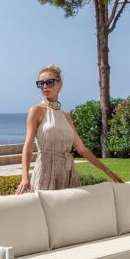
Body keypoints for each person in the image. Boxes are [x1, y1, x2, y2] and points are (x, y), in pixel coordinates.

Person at [15, 64, 123, 193]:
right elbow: (28, 146)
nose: (45, 86)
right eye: (41, 83)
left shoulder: (66, 116)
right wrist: (25, 178)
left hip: (68, 172)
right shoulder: (36, 111)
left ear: (59, 84)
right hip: (45, 171)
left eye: (49, 82)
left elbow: (82, 149)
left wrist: (108, 172)